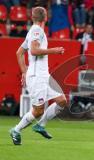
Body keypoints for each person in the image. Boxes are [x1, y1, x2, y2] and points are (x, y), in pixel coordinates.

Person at [10, 7, 68, 145]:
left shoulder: (33, 31)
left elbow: (19, 52)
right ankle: (16, 130)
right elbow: (34, 50)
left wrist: (24, 72)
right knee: (38, 111)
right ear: (45, 17)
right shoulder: (37, 31)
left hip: (43, 75)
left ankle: (40, 125)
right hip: (37, 77)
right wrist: (53, 51)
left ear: (32, 17)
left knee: (62, 101)